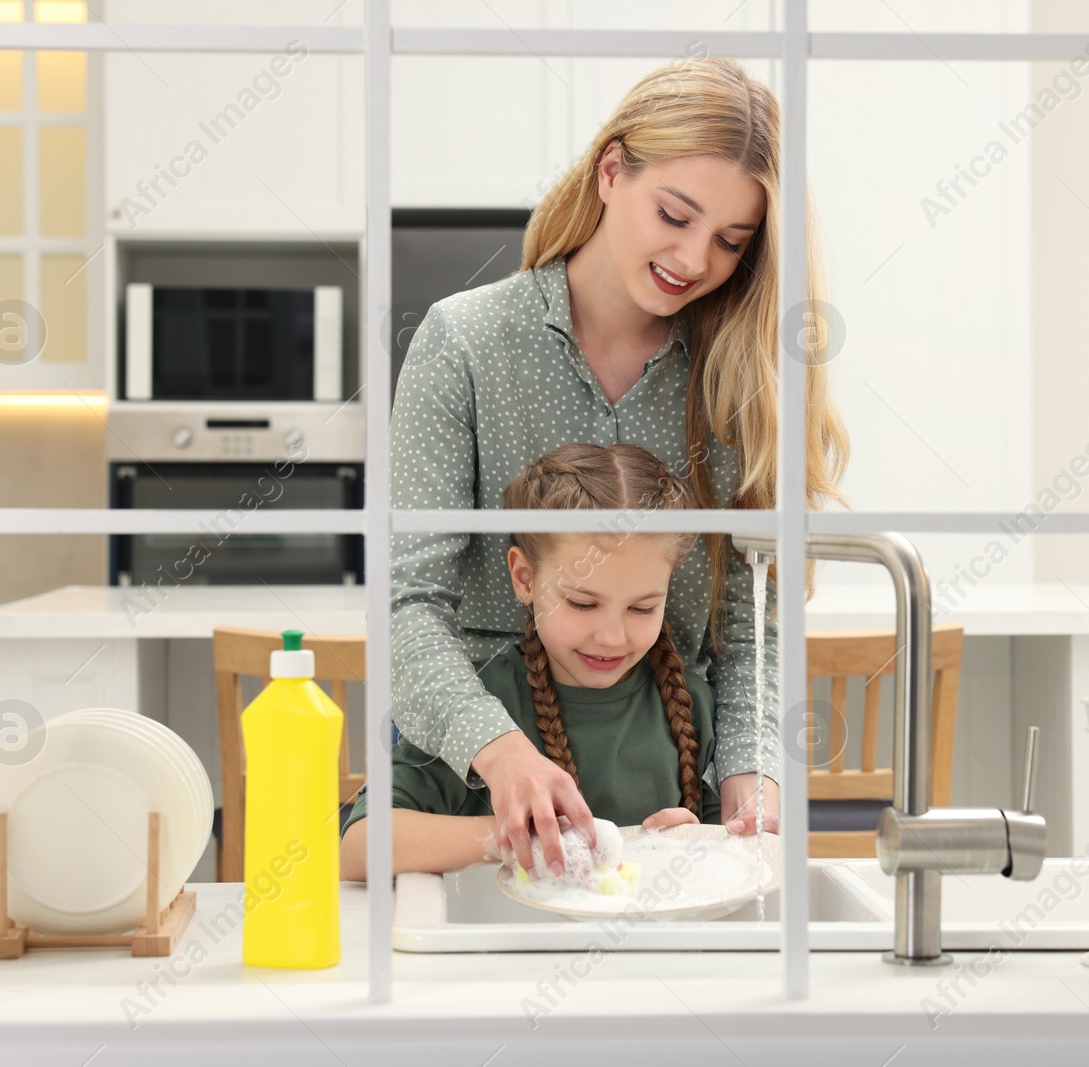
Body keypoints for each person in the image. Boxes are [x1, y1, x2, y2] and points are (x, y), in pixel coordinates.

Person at [386, 57, 849, 879]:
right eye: (674, 215)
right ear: (610, 171)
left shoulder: (737, 380)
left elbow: (749, 627)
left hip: (665, 772)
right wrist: (499, 750)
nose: (693, 257)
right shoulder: (464, 343)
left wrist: (748, 788)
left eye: (730, 241)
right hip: (471, 786)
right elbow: (407, 605)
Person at [340, 444, 721, 878]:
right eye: (581, 603)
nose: (612, 637)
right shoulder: (477, 709)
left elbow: (727, 856)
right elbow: (358, 846)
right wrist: (524, 838)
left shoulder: (690, 705)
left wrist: (693, 846)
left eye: (642, 608)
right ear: (524, 578)